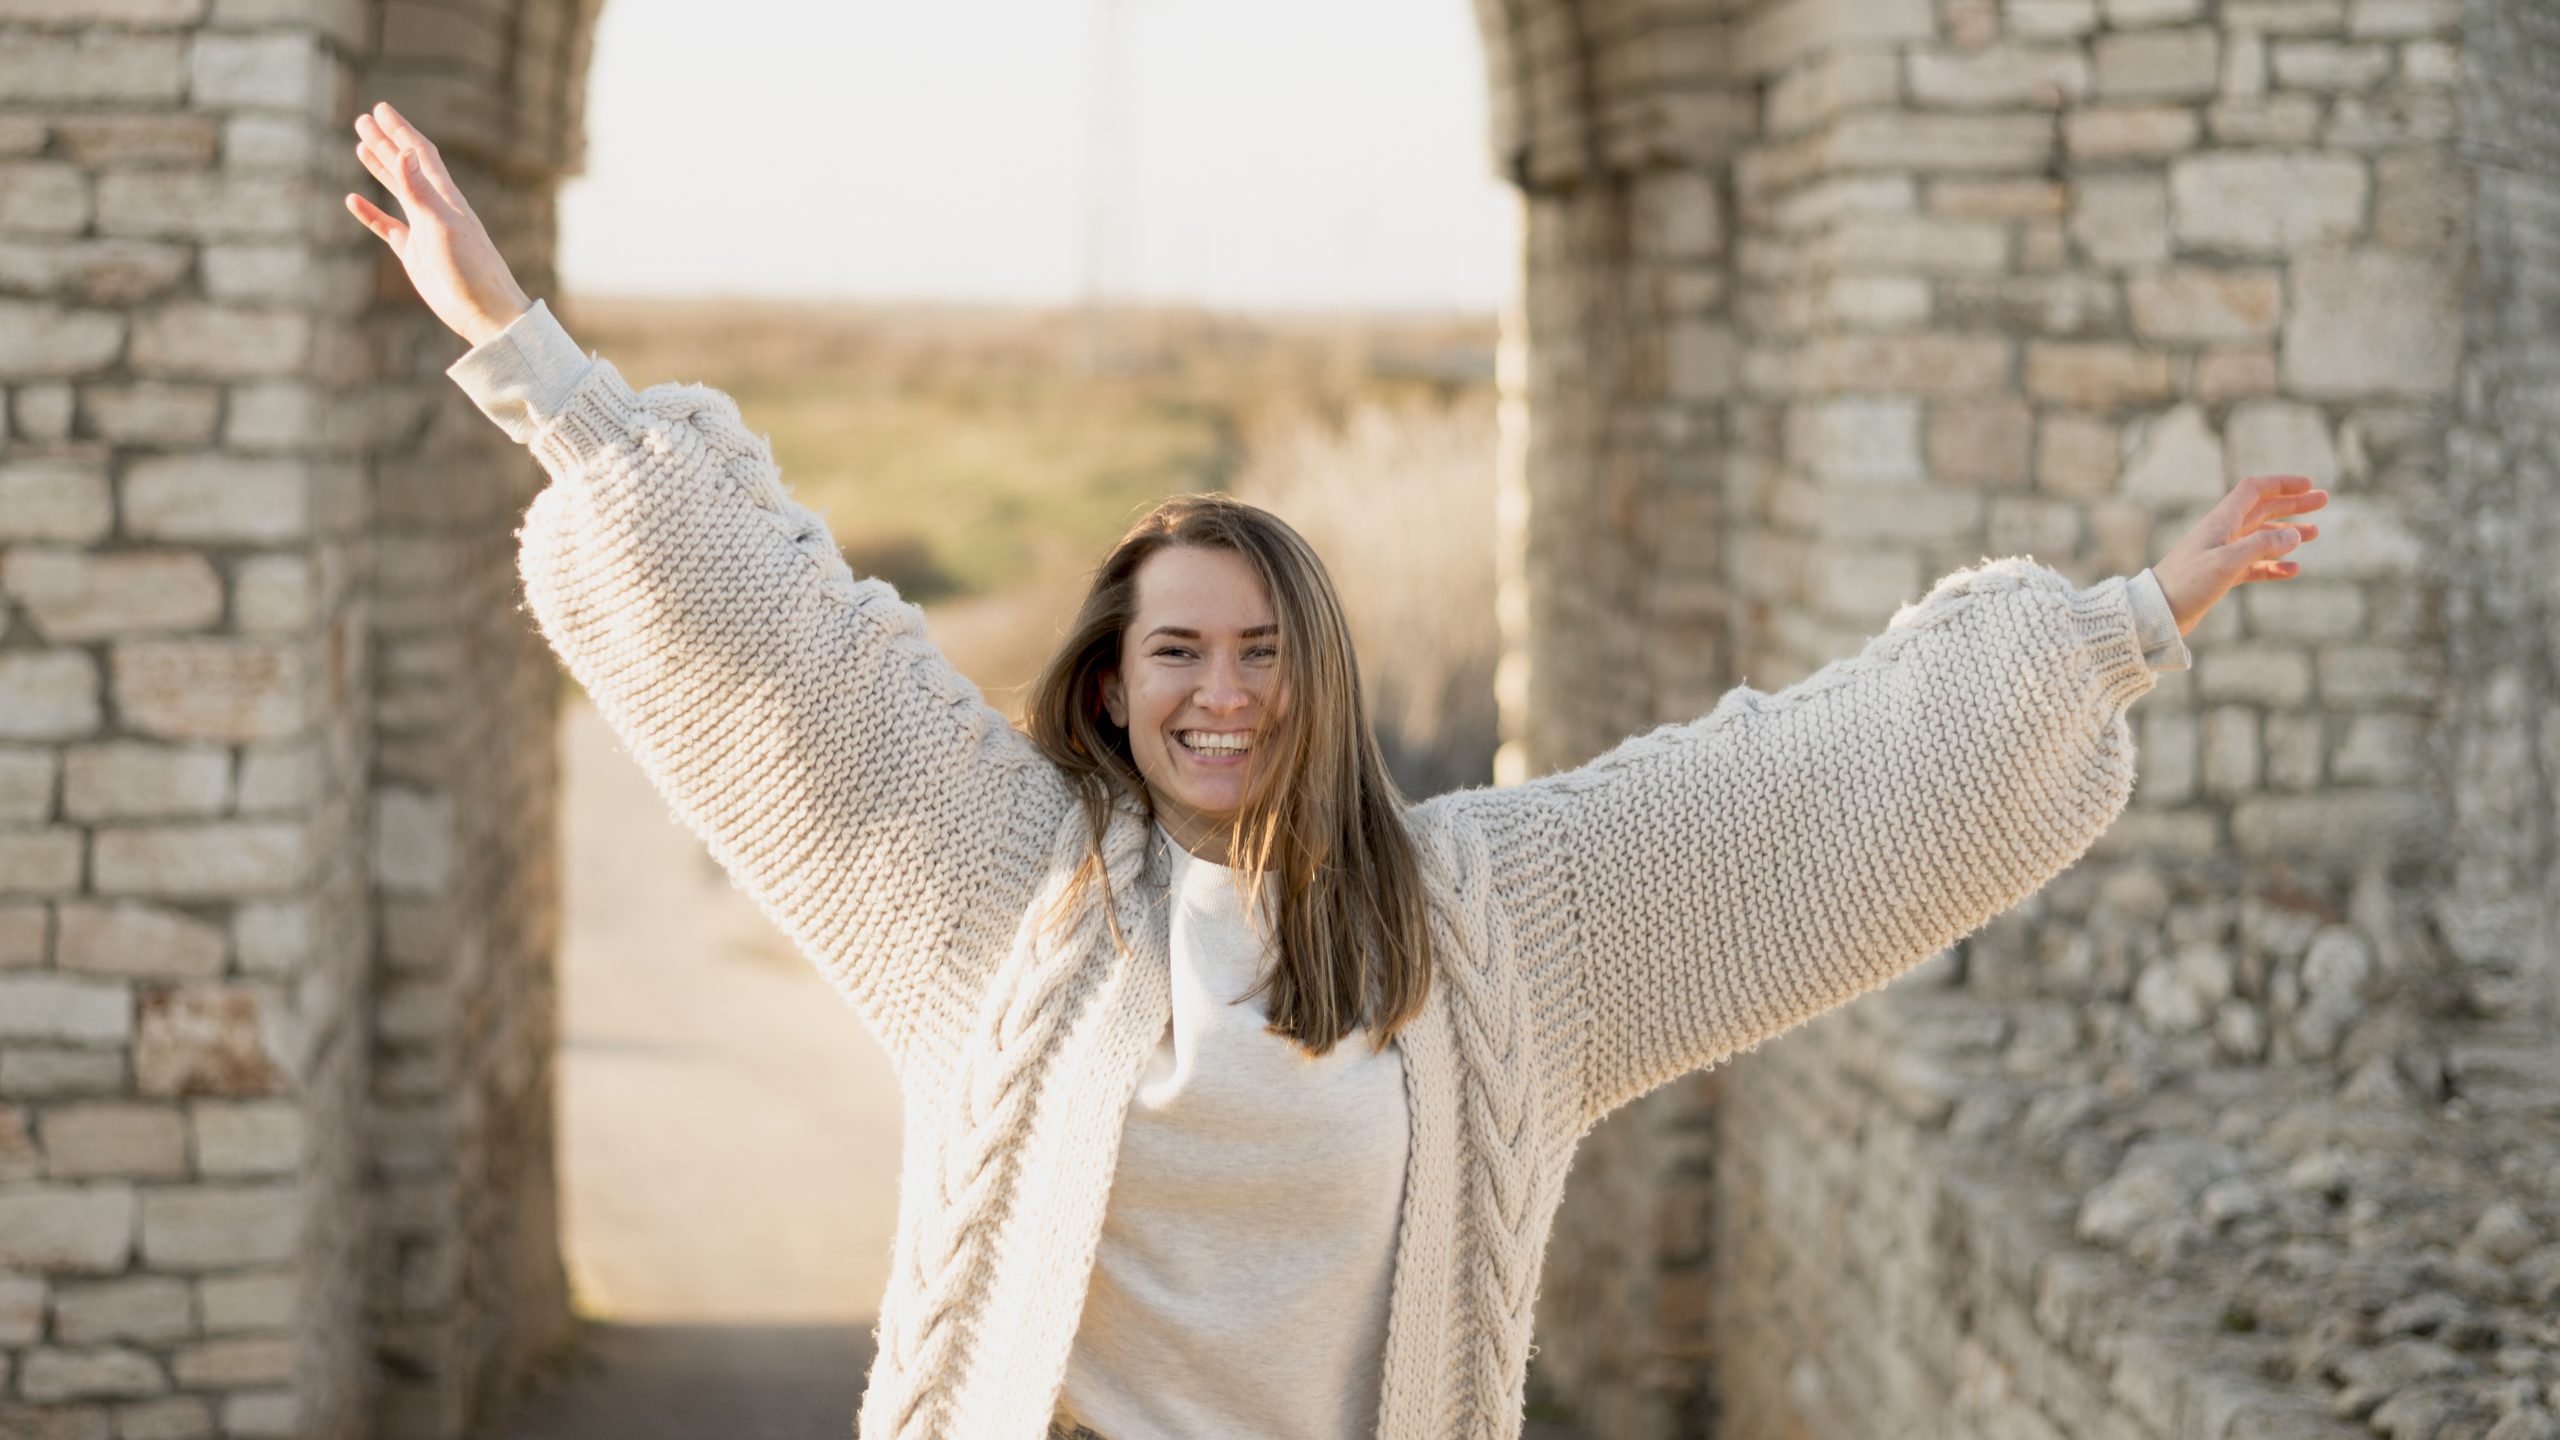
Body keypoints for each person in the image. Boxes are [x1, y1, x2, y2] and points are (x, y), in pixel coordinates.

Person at [345, 99, 2326, 1440]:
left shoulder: (1490, 928)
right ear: (1112, 692)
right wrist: (524, 352)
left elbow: (1799, 797)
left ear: (1322, 681)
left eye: (1262, 652)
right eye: (1174, 654)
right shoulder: (996, 890)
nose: (1221, 693)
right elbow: (779, 633)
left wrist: (2124, 620)